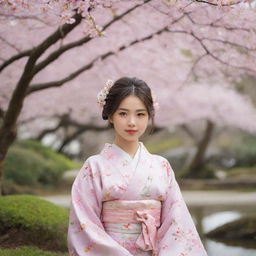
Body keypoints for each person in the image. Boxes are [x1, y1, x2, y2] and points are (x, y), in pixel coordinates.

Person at [67, 77, 208, 256]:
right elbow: (85, 224)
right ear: (110, 115)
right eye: (123, 113)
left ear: (149, 116)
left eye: (140, 114)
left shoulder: (161, 165)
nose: (132, 122)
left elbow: (176, 222)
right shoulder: (94, 167)